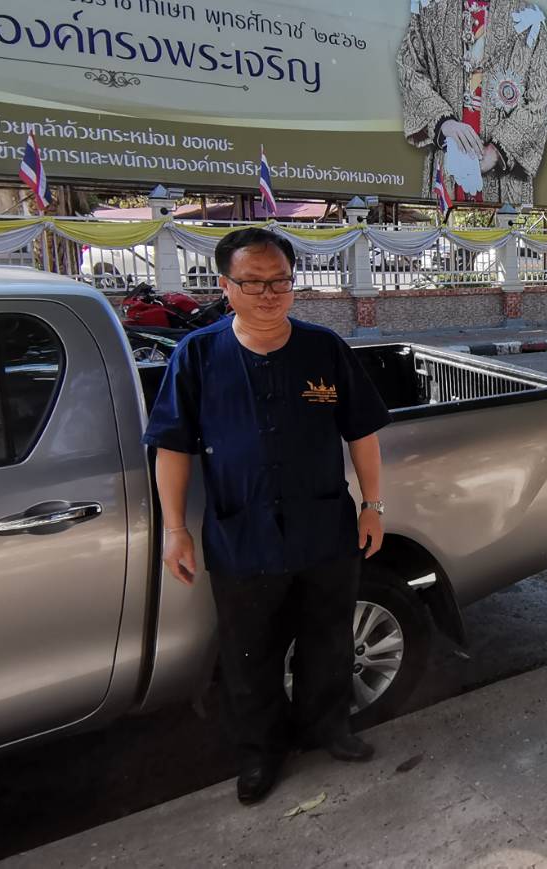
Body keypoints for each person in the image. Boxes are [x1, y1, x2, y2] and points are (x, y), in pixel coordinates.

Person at [143, 227, 392, 805]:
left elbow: (361, 435)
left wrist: (373, 506)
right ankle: (259, 753)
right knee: (248, 652)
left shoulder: (324, 349)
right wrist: (174, 529)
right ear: (226, 287)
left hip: (325, 529)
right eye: (252, 282)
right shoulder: (198, 355)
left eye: (279, 280)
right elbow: (172, 447)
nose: (268, 293)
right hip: (242, 535)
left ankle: (329, 728)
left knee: (328, 638)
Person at [398, 0, 547, 206]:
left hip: (503, 181)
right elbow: (409, 68)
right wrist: (444, 123)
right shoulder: (430, 8)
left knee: (502, 233)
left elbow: (540, 100)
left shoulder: (529, 18)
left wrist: (497, 151)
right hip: (446, 167)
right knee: (443, 233)